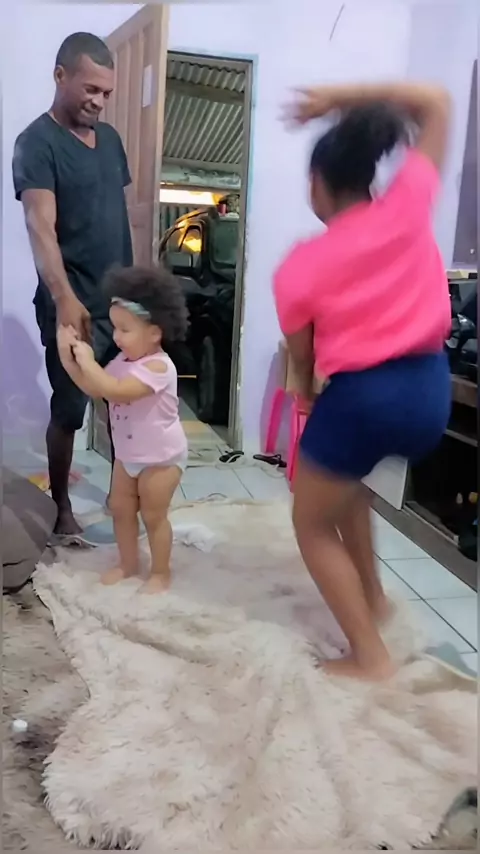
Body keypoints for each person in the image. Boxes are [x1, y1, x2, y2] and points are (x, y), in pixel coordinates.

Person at [274, 82, 452, 681]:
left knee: (309, 520)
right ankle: (374, 598)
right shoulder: (407, 205)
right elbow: (437, 103)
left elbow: (303, 359)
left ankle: (369, 656)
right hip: (431, 393)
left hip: (362, 399)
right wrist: (338, 99)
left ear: (317, 184)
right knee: (349, 489)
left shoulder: (300, 267)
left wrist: (306, 396)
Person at [12, 32, 133, 539]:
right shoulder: (36, 143)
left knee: (128, 407)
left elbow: (118, 215)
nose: (99, 101)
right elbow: (40, 225)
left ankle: (123, 498)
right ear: (60, 76)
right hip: (72, 304)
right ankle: (61, 505)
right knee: (69, 410)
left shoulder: (111, 142)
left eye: (107, 92)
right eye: (90, 89)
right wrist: (64, 298)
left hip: (121, 305)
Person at [56, 265, 189, 594]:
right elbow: (96, 387)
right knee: (121, 509)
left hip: (160, 458)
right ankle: (128, 563)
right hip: (128, 455)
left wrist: (88, 362)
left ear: (154, 333)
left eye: (125, 329)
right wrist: (69, 359)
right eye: (115, 327)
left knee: (154, 516)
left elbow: (116, 391)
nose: (116, 336)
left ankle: (160, 572)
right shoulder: (123, 362)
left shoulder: (159, 367)